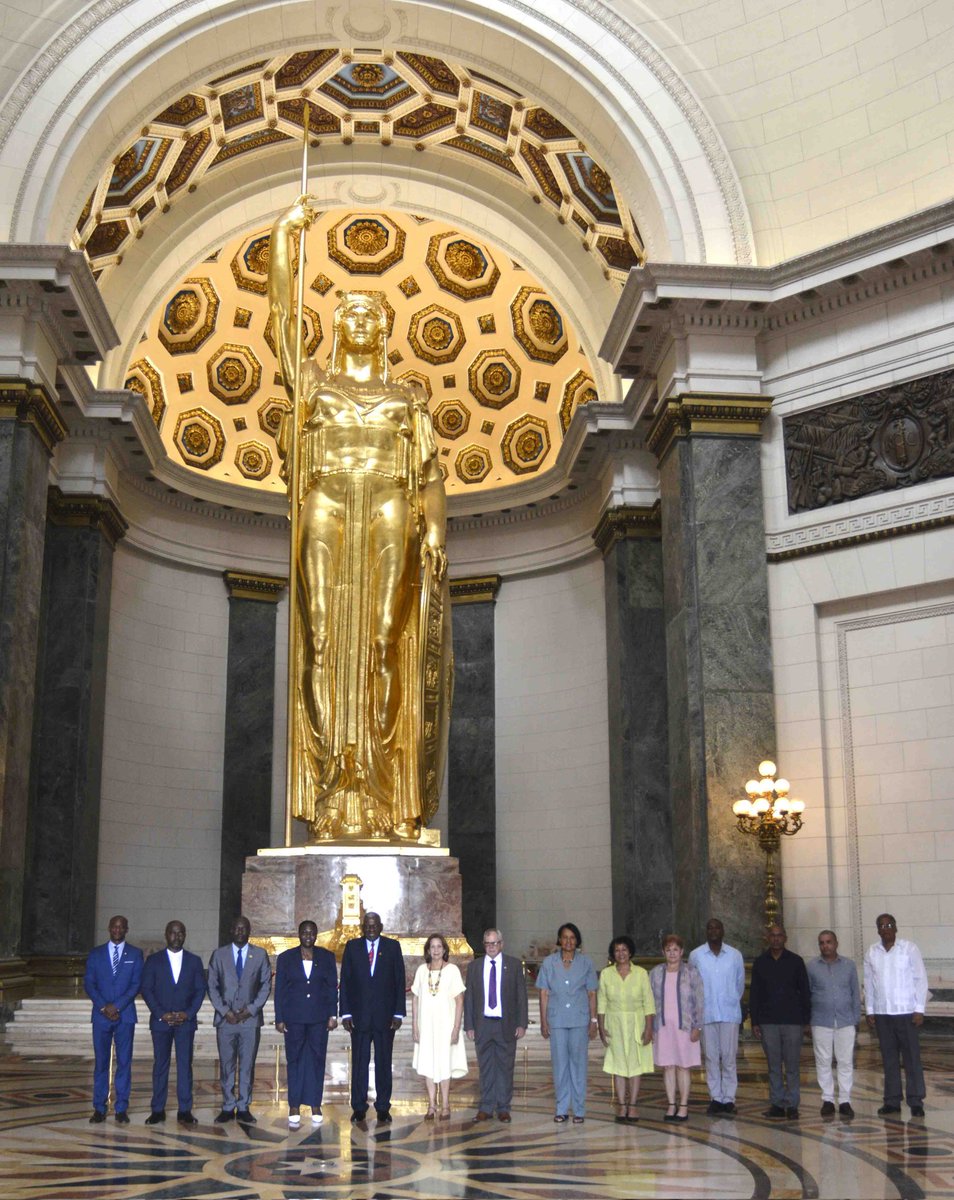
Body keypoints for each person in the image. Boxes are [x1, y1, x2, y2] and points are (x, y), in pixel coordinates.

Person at [268, 201, 452, 844]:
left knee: (380, 643)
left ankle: (373, 785)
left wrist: (434, 534)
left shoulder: (408, 398)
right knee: (319, 639)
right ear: (337, 326)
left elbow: (431, 478)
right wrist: (285, 238)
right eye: (351, 311)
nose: (362, 319)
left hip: (388, 505)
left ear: (386, 329)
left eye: (373, 313)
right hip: (326, 502)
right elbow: (281, 319)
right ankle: (332, 782)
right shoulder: (312, 384)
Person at [339, 910, 407, 1123]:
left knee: (383, 1062)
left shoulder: (392, 947)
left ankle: (383, 1107)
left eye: (374, 925)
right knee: (359, 1062)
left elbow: (399, 980)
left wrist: (398, 1013)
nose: (370, 929)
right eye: (366, 925)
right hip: (358, 1018)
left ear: (380, 926)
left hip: (385, 1018)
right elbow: (346, 981)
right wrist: (346, 1013)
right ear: (362, 927)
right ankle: (359, 1107)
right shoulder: (352, 947)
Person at [140, 919, 206, 1126]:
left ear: (185, 935)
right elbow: (147, 990)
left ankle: (184, 1110)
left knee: (185, 1066)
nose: (176, 937)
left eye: (180, 933)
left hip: (186, 1022)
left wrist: (188, 1013)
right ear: (166, 934)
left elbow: (199, 990)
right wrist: (162, 1014)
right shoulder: (153, 960)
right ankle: (157, 1109)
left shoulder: (194, 961)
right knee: (161, 1065)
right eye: (172, 933)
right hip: (161, 1022)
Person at [207, 915, 272, 1124]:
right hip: (225, 1021)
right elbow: (212, 986)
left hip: (249, 1022)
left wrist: (250, 1010)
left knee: (246, 1065)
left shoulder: (260, 955)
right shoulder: (219, 955)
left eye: (244, 928)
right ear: (231, 931)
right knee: (227, 1065)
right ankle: (227, 1105)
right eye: (236, 928)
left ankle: (243, 1105)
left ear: (249, 931)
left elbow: (265, 986)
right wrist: (225, 1011)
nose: (240, 932)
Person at [274, 920, 338, 1128]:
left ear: (316, 935)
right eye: (304, 932)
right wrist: (280, 1017)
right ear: (299, 934)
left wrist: (332, 1015)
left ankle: (315, 1104)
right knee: (294, 1060)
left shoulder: (327, 957)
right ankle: (294, 1105)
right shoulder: (286, 958)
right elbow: (280, 990)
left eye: (312, 932)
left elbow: (331, 988)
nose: (308, 935)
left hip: (319, 1019)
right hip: (294, 1018)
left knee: (317, 1060)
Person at [864, 913, 929, 1118]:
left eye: (889, 924)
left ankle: (916, 1100)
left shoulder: (909, 948)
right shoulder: (872, 952)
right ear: (877, 930)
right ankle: (892, 1101)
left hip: (906, 1013)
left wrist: (919, 1009)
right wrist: (870, 1010)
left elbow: (921, 979)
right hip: (883, 1014)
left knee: (912, 1058)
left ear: (896, 927)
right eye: (881, 925)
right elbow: (869, 984)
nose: (885, 928)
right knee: (889, 1059)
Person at [464, 927, 528, 1123]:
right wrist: (469, 1025)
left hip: (505, 1025)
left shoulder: (514, 965)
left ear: (501, 944)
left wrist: (521, 1023)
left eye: (494, 943)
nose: (491, 947)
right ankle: (485, 1106)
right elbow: (470, 998)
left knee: (505, 1067)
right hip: (483, 1025)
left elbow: (521, 997)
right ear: (484, 945)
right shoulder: (474, 967)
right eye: (487, 943)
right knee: (485, 1067)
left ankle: (503, 1107)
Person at [84, 914, 144, 1124]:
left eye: (121, 927)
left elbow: (136, 984)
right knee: (101, 1063)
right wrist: (104, 1006)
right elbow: (89, 984)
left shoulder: (135, 954)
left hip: (125, 1015)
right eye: (114, 926)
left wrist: (116, 1006)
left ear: (126, 929)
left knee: (124, 1063)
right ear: (109, 928)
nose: (117, 929)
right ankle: (99, 1108)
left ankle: (121, 1108)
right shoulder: (96, 953)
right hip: (101, 1017)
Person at [537, 922, 599, 1124]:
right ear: (559, 940)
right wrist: (544, 1021)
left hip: (580, 1020)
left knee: (579, 1065)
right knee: (560, 1065)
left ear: (577, 941)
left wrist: (593, 1020)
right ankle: (562, 1108)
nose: (568, 941)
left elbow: (591, 993)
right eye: (565, 937)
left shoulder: (586, 963)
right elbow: (544, 993)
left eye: (572, 937)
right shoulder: (549, 963)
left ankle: (579, 1109)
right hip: (557, 1020)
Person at [749, 924, 811, 1119]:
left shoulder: (796, 961)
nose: (776, 939)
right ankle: (776, 1103)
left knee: (792, 1066)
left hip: (793, 1022)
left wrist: (806, 1020)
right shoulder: (760, 962)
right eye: (772, 936)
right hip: (768, 1022)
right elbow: (755, 993)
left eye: (779, 936)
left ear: (785, 938)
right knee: (773, 1065)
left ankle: (792, 1105)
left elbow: (805, 993)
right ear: (768, 938)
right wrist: (755, 1021)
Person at [688, 917, 745, 1116]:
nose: (713, 930)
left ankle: (729, 1099)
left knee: (729, 1058)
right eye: (710, 927)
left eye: (717, 927)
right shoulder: (696, 955)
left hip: (729, 1013)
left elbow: (739, 984)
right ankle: (715, 1098)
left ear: (723, 931)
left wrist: (730, 1000)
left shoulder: (735, 955)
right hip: (706, 1014)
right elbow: (692, 985)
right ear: (706, 931)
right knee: (711, 1058)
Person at [596, 935, 654, 1123]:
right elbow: (602, 1001)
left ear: (630, 952)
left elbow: (648, 1002)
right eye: (617, 950)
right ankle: (621, 1105)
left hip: (637, 1023)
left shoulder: (641, 973)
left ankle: (633, 1105)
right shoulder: (606, 974)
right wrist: (601, 1028)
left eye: (624, 950)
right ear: (613, 954)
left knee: (635, 1066)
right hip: (614, 1023)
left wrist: (649, 1028)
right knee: (619, 1066)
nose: (621, 953)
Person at [411, 933, 467, 1119]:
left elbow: (459, 1000)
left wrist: (456, 1028)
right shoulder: (421, 971)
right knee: (427, 1063)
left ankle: (445, 1105)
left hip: (445, 1025)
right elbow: (415, 999)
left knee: (444, 1063)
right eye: (432, 947)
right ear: (428, 950)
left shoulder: (452, 970)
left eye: (439, 947)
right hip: (426, 1025)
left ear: (444, 950)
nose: (435, 950)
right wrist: (415, 1026)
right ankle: (431, 1106)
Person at [649, 934, 704, 1122]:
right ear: (663, 952)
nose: (672, 953)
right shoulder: (655, 973)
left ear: (681, 952)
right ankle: (671, 1104)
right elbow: (649, 1002)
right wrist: (650, 1027)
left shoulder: (692, 972)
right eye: (668, 950)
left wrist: (698, 1026)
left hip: (685, 1027)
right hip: (663, 1027)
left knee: (683, 1066)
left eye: (675, 950)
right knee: (668, 1066)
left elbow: (700, 1000)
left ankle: (684, 1105)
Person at [808, 929, 860, 1118]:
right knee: (823, 1061)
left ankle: (845, 1100)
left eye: (829, 942)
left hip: (846, 1020)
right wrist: (808, 1020)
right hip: (821, 1021)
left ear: (836, 943)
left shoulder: (848, 965)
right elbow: (807, 994)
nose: (825, 946)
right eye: (822, 942)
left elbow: (855, 993)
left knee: (845, 1061)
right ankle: (828, 1099)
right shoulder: (812, 967)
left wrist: (855, 1019)